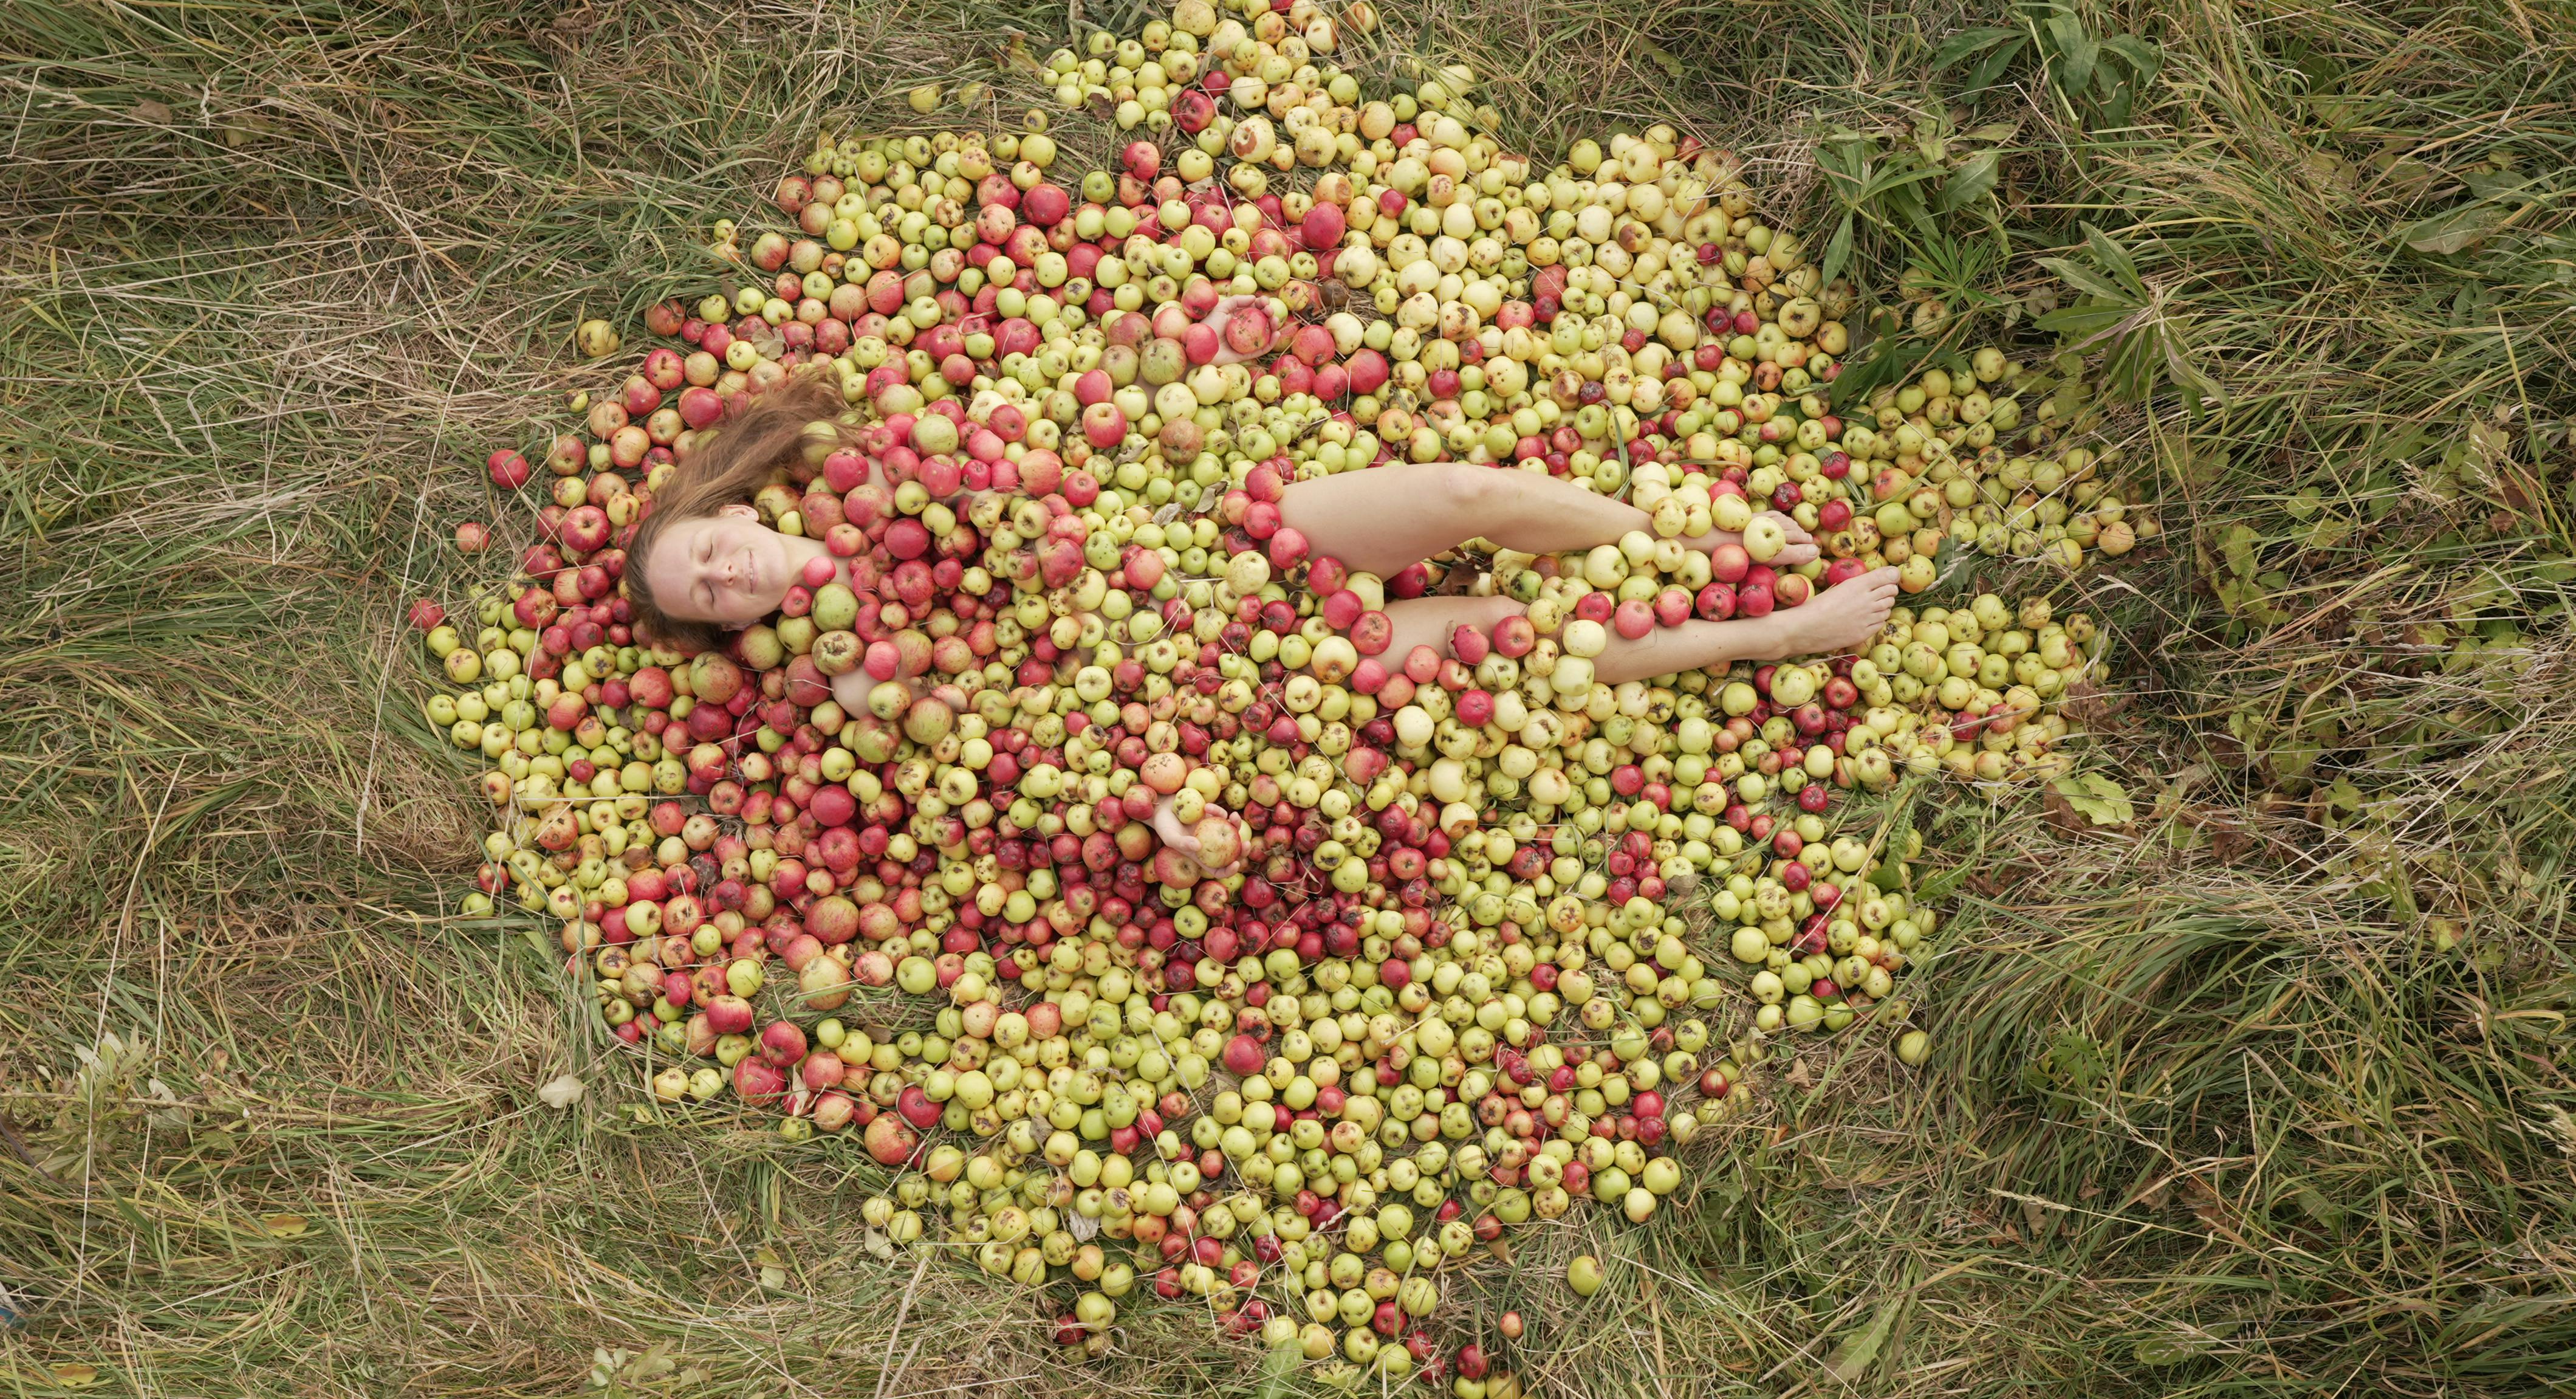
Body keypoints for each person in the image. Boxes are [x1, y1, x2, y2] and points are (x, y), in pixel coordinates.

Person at [624, 354, 1902, 858]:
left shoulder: (887, 468)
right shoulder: (858, 683)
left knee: (1465, 489)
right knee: (1503, 650)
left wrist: (962, 501)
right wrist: (1173, 819)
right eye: (708, 601)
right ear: (739, 633)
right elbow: (1011, 764)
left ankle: (1691, 534)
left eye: (708, 554)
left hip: (1232, 545)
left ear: (740, 517)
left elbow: (1037, 488)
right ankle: (1768, 632)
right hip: (1230, 694)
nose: (724, 579)